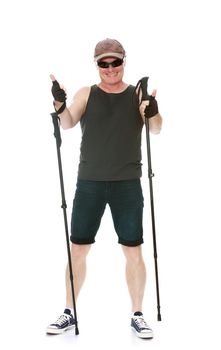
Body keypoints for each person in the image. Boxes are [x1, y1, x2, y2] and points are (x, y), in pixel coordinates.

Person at [46, 38, 162, 339]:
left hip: (127, 184)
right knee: (78, 249)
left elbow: (156, 128)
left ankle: (138, 314)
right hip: (90, 183)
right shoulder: (88, 93)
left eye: (115, 62)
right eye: (103, 63)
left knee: (133, 250)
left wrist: (152, 110)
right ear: (96, 64)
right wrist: (59, 102)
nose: (110, 69)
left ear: (124, 60)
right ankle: (69, 312)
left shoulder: (137, 95)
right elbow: (68, 123)